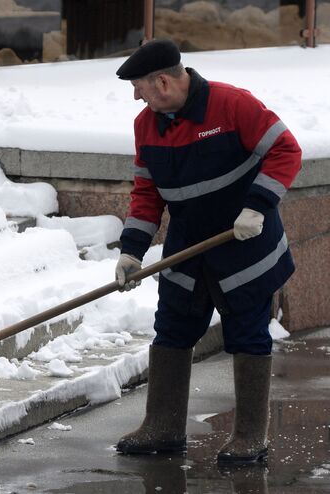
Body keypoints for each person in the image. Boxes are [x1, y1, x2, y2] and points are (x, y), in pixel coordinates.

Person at [113, 39, 302, 464]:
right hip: (188, 245)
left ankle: (250, 435)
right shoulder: (147, 125)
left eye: (139, 86)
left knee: (248, 333)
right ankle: (162, 426)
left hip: (245, 242)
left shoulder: (233, 105)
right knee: (173, 328)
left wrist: (257, 207)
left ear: (162, 81)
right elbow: (147, 192)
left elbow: (286, 151)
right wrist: (132, 252)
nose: (135, 95)